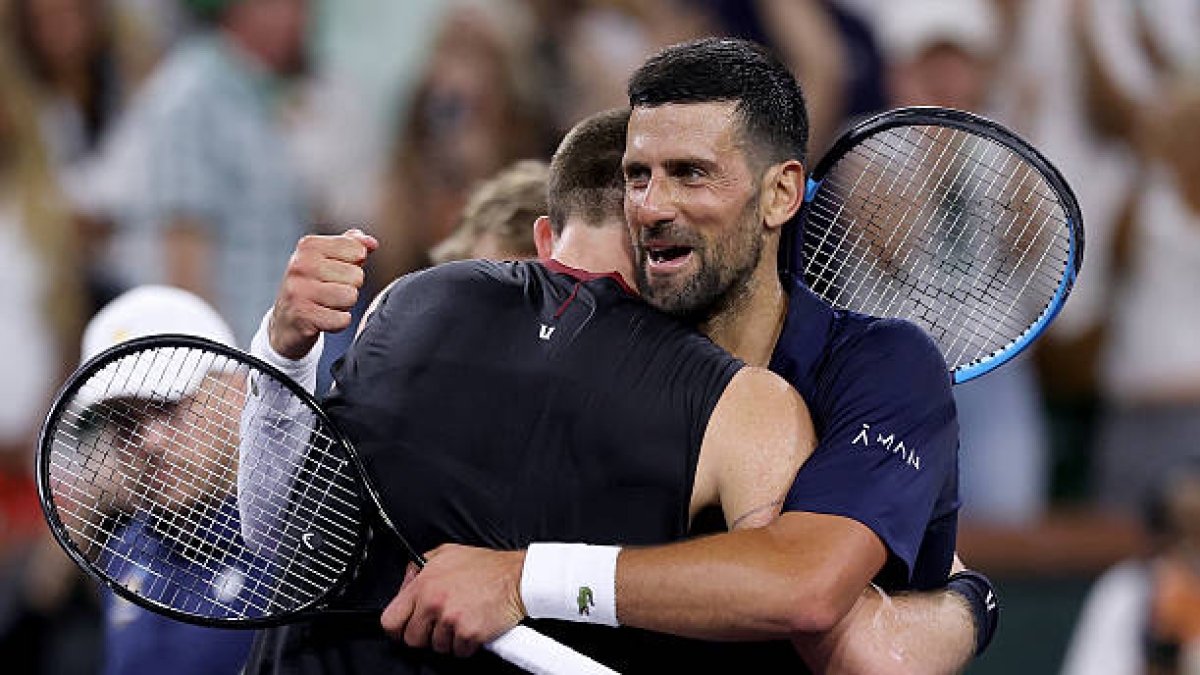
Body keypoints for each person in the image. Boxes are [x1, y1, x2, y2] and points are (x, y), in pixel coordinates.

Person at [261, 106, 986, 674]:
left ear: (544, 240)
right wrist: (966, 600)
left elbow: (276, 535)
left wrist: (282, 350)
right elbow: (845, 633)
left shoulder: (406, 303)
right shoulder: (746, 407)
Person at [91, 0, 313, 345]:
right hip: (227, 364)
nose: (298, 17)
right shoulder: (190, 93)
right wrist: (212, 369)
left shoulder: (259, 91)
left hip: (266, 360)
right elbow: (183, 252)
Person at [75, 285, 258, 675]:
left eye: (168, 406)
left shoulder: (308, 541)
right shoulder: (124, 551)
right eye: (123, 420)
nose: (149, 442)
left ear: (237, 391)